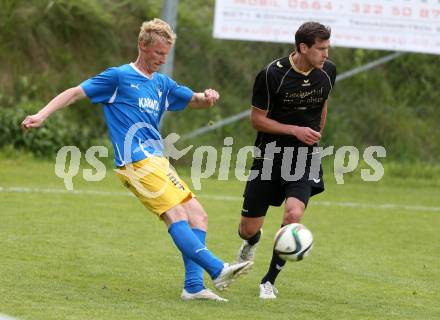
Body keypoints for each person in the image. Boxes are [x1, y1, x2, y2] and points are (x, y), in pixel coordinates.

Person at [21, 18, 252, 302]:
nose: (162, 60)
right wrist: (42, 114)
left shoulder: (162, 84)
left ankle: (193, 287)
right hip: (135, 162)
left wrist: (207, 96)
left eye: (166, 55)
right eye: (157, 53)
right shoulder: (118, 77)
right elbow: (75, 93)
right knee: (176, 215)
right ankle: (218, 269)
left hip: (156, 160)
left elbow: (194, 100)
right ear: (143, 45)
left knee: (199, 216)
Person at [235, 21, 337, 299]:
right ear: (303, 48)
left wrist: (316, 134)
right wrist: (295, 130)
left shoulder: (327, 72)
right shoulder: (271, 74)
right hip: (270, 155)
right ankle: (251, 242)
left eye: (328, 48)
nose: (326, 54)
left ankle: (268, 280)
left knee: (294, 213)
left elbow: (323, 103)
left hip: (303, 156)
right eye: (321, 49)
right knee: (247, 228)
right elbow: (257, 120)